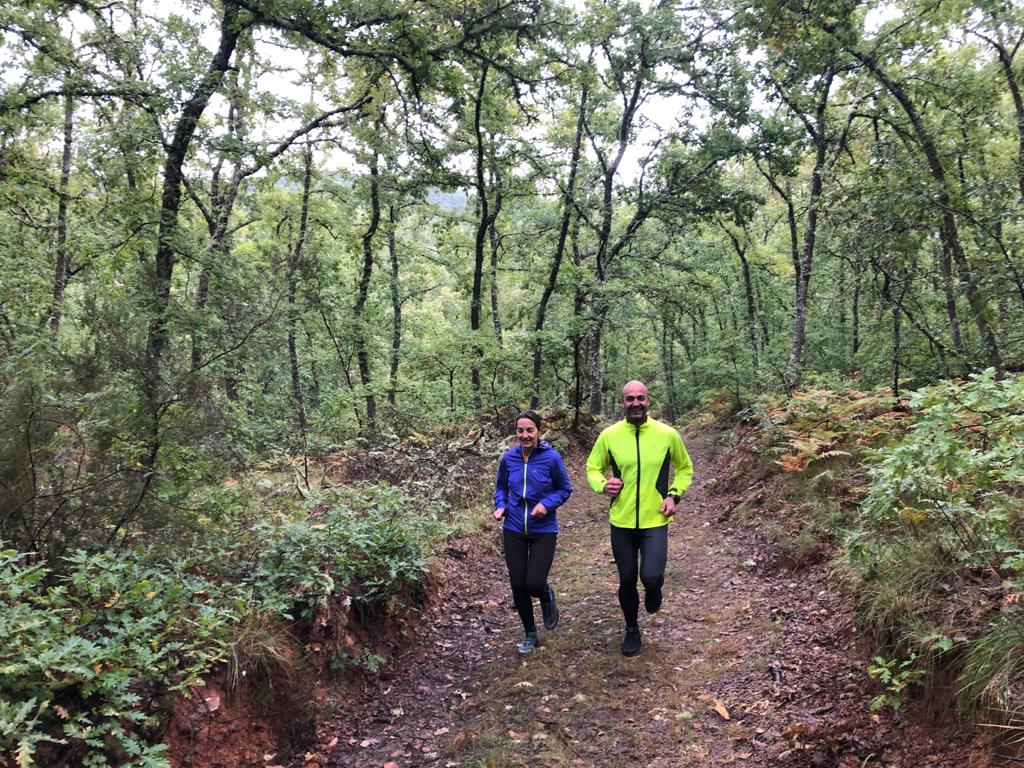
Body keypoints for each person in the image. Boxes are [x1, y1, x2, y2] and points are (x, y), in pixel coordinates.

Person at [585, 380, 693, 656]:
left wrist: (674, 495)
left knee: (651, 576)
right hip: (621, 522)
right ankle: (632, 629)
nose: (635, 403)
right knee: (627, 578)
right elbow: (592, 468)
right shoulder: (609, 436)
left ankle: (655, 590)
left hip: (655, 520)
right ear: (622, 403)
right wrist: (601, 484)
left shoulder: (667, 435)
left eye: (640, 398)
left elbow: (685, 468)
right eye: (630, 398)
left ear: (648, 402)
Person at [494, 410, 573, 655]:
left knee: (534, 583)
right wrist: (500, 506)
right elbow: (501, 488)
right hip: (514, 527)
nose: (525, 435)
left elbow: (565, 488)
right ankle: (530, 634)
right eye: (520, 430)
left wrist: (546, 505)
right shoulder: (509, 458)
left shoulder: (551, 459)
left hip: (543, 529)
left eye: (530, 430)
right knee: (518, 584)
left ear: (539, 431)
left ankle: (546, 594)